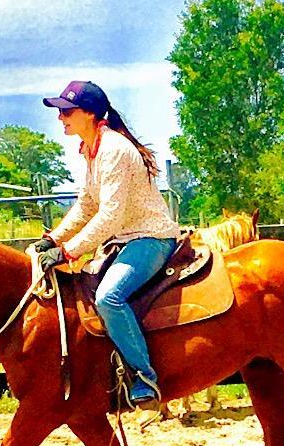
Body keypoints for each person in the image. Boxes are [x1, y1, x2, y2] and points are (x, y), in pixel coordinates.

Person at [35, 80, 181, 409]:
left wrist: (67, 251)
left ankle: (145, 377)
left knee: (109, 298)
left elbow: (110, 215)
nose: (60, 117)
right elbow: (87, 206)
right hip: (124, 241)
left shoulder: (114, 149)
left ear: (89, 113)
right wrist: (52, 238)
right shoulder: (92, 149)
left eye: (67, 111)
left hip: (150, 237)